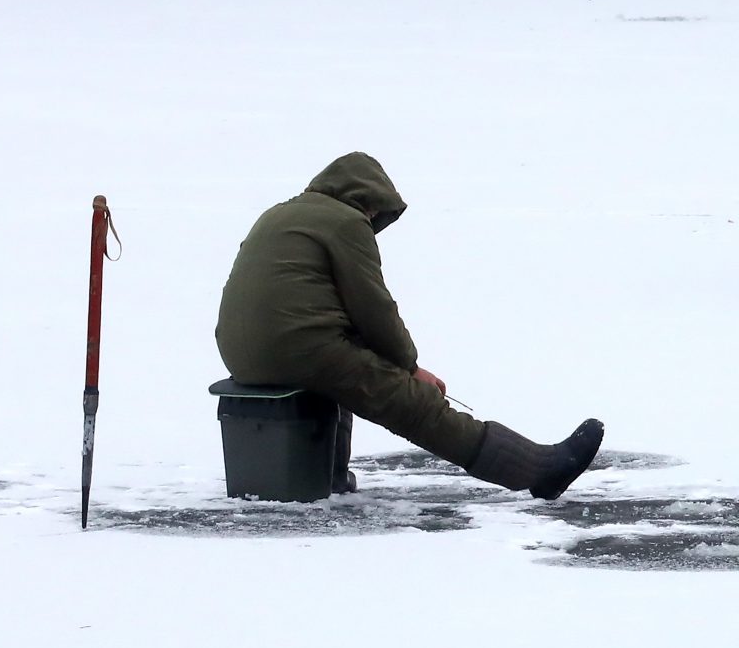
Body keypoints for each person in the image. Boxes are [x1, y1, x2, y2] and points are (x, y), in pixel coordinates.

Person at [214, 153, 604, 498]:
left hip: (241, 354)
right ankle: (538, 471)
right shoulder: (345, 221)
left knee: (339, 374)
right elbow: (373, 309)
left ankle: (330, 479)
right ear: (366, 198)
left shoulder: (278, 213)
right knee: (413, 404)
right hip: (299, 348)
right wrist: (410, 368)